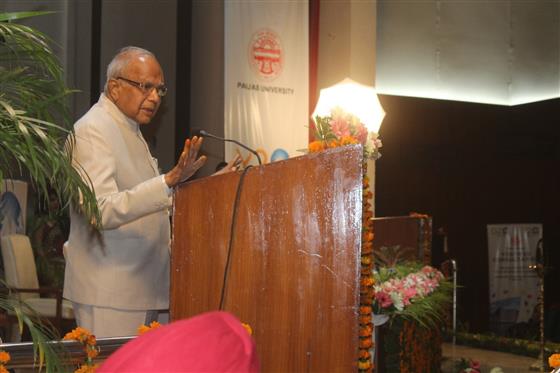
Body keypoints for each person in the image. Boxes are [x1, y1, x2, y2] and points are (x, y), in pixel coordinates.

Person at [63, 46, 237, 337]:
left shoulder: (129, 129)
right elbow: (99, 209)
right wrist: (167, 181)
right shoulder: (92, 130)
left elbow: (150, 202)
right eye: (146, 87)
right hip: (112, 292)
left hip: (146, 286)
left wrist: (209, 188)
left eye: (160, 89)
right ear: (115, 87)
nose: (155, 97)